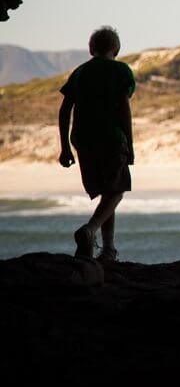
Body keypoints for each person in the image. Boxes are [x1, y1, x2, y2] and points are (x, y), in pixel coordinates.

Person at [58, 26, 135, 262]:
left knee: (105, 191)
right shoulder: (120, 70)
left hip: (82, 138)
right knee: (117, 190)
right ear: (117, 49)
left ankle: (108, 249)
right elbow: (124, 109)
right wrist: (130, 144)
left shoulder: (80, 72)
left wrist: (65, 146)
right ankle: (90, 230)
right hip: (111, 137)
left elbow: (64, 111)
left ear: (91, 49)